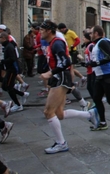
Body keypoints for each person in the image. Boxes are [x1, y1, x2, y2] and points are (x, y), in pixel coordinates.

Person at [39, 20, 99, 154]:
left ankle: (61, 143)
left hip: (60, 78)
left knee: (48, 112)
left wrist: (50, 72)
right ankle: (89, 114)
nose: (40, 32)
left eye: (42, 30)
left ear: (49, 30)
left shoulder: (56, 43)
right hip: (59, 78)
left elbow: (66, 61)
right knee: (59, 114)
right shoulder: (53, 43)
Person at [0, 32, 29, 112]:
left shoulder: (9, 47)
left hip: (12, 70)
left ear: (4, 38)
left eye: (0, 38)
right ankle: (23, 94)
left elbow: (12, 59)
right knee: (5, 86)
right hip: (9, 69)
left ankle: (18, 105)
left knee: (8, 87)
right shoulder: (7, 46)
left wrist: (2, 61)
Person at [57, 23, 87, 87]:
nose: (60, 31)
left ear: (64, 28)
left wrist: (73, 45)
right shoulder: (63, 34)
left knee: (71, 68)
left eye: (61, 30)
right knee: (70, 68)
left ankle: (72, 83)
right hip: (67, 52)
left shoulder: (71, 32)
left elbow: (78, 40)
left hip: (72, 52)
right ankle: (82, 78)